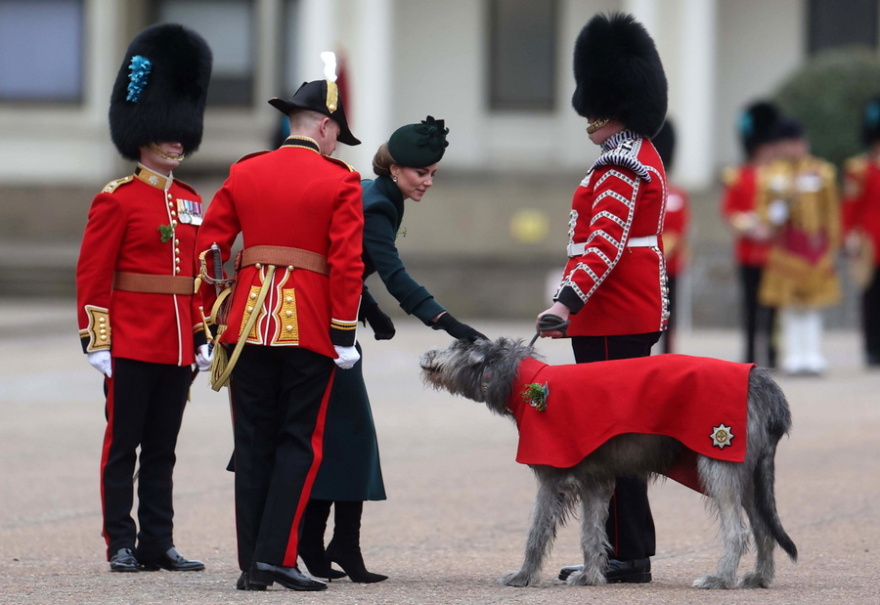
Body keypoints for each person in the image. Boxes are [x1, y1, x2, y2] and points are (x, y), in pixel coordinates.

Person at [195, 56, 365, 592]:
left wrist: (213, 316)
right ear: (325, 125)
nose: (338, 143)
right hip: (311, 325)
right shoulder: (341, 180)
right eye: (339, 133)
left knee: (252, 444)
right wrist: (344, 334)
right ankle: (275, 557)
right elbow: (346, 263)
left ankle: (254, 563)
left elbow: (209, 251)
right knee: (298, 441)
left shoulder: (245, 170)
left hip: (244, 327)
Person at [299, 115, 486, 582]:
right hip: (323, 326)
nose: (427, 181)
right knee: (351, 435)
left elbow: (347, 260)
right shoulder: (380, 203)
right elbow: (394, 272)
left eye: (433, 173)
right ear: (396, 168)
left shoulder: (375, 192)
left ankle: (323, 543)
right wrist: (447, 323)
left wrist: (369, 306)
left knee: (338, 434)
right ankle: (332, 543)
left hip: (327, 315)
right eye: (421, 172)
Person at [75, 23, 212, 574]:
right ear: (144, 134)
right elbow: (93, 274)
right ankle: (121, 542)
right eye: (168, 133)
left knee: (162, 451)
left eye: (182, 133)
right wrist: (96, 339)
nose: (178, 140)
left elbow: (200, 277)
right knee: (122, 449)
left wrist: (202, 334)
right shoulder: (117, 200)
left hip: (178, 344)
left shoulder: (191, 200)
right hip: (130, 341)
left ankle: (159, 541)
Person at [536, 13, 668, 584]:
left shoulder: (619, 161)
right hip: (617, 311)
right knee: (615, 434)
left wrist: (565, 303)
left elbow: (605, 247)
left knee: (613, 436)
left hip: (614, 313)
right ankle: (622, 549)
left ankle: (625, 554)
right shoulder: (627, 153)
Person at [757, 117, 841, 375]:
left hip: (814, 247)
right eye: (788, 143)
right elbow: (767, 213)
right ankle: (794, 355)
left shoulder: (823, 172)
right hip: (786, 247)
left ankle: (812, 354)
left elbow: (831, 213)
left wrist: (833, 246)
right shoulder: (772, 175)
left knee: (813, 305)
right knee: (790, 306)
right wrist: (785, 199)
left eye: (797, 142)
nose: (794, 148)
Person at [720, 101, 783, 367]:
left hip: (775, 251)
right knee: (750, 307)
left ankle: (771, 352)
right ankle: (749, 354)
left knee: (773, 308)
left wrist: (771, 228)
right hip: (748, 250)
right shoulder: (739, 176)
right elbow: (729, 210)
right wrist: (750, 228)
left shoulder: (780, 176)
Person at [842, 96, 880, 367]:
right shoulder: (859, 170)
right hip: (869, 241)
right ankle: (872, 348)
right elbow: (850, 207)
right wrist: (849, 235)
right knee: (871, 297)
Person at [653, 120, 690, 354]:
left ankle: (667, 355)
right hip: (647, 264)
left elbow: (677, 231)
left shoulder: (676, 194)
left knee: (669, 316)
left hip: (669, 264)